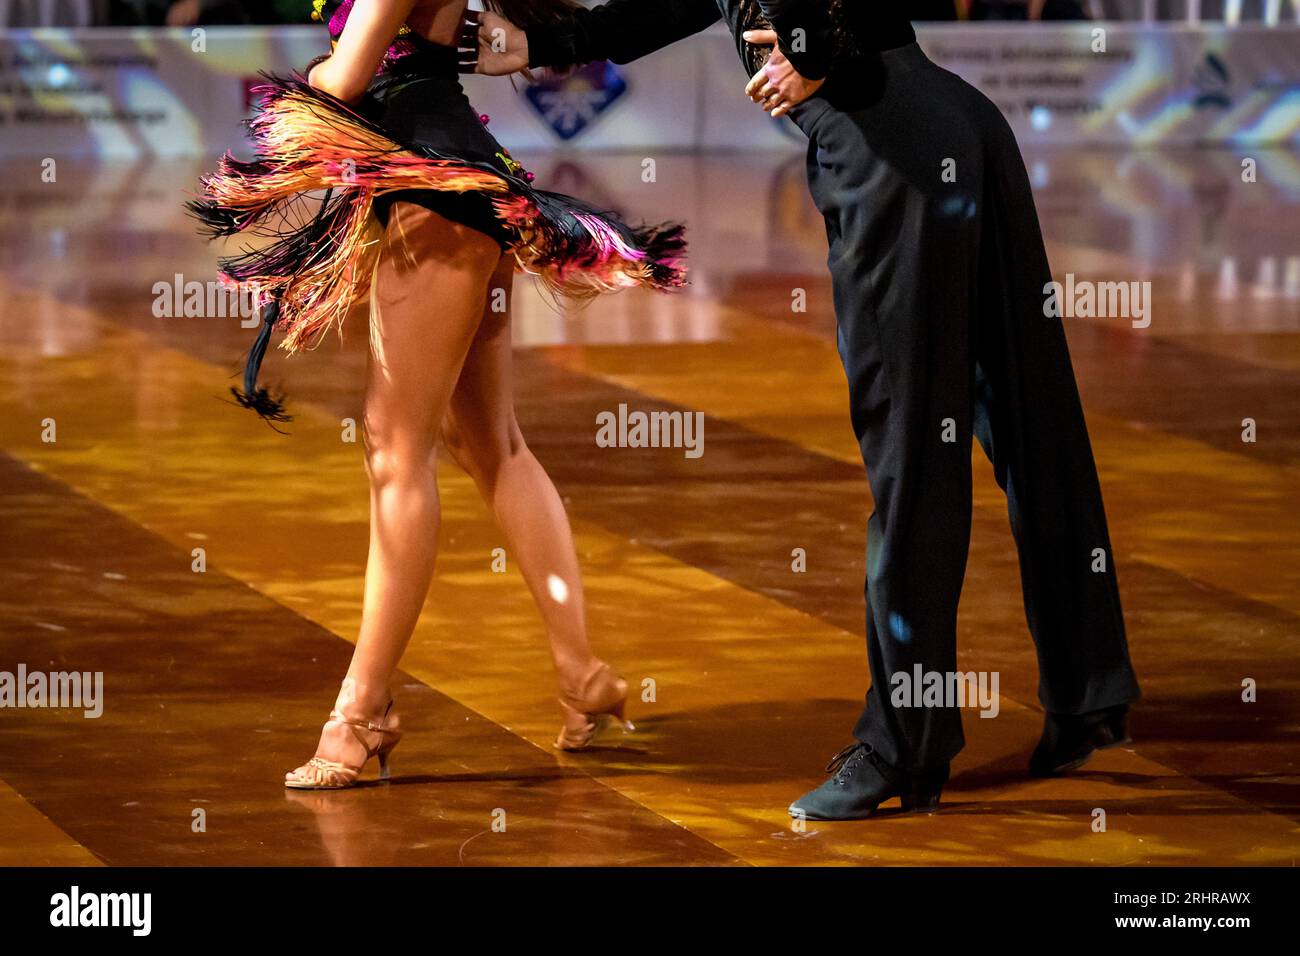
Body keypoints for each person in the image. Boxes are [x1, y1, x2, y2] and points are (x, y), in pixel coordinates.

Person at [470, 0, 1140, 819]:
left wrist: (813, 47)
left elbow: (815, 23)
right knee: (1034, 423)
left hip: (891, 153)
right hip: (954, 123)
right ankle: (1088, 692)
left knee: (912, 453)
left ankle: (905, 747)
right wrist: (541, 43)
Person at [189, 0, 686, 789]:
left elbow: (347, 80)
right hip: (451, 186)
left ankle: (362, 713)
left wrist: (303, 85)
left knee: (394, 450)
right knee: (489, 442)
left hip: (435, 189)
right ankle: (582, 676)